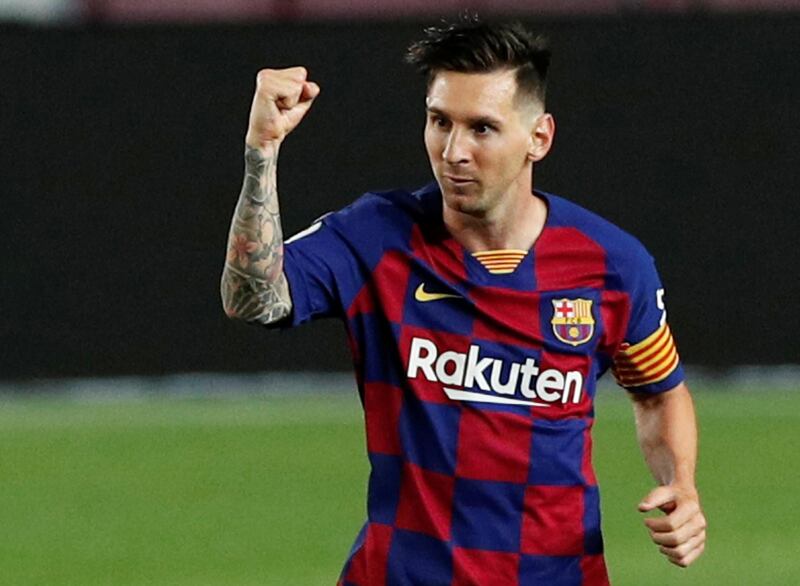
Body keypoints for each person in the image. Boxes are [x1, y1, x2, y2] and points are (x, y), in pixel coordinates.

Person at [221, 19, 706, 586]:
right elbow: (253, 299)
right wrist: (262, 152)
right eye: (439, 121)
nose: (453, 151)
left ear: (539, 138)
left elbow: (659, 393)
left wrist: (683, 485)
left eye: (482, 128)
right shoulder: (375, 236)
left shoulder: (611, 265)